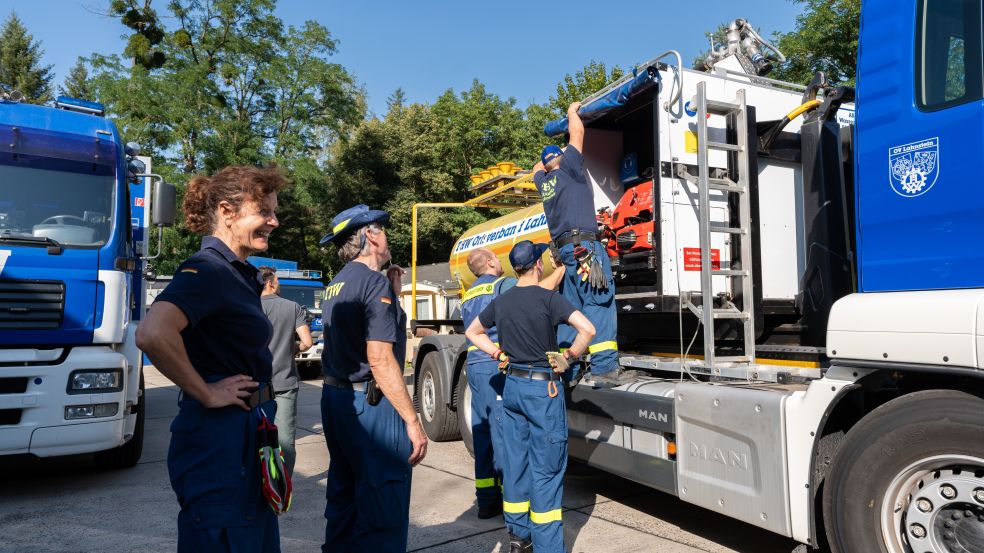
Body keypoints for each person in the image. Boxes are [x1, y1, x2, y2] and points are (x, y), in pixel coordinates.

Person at [136, 165, 286, 553]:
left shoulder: (237, 274)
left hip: (245, 430)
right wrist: (205, 391)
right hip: (221, 438)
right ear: (227, 211)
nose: (274, 220)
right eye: (265, 211)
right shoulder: (208, 270)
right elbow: (153, 333)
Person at [465, 240, 596, 553]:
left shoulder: (503, 300)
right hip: (542, 391)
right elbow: (587, 329)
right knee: (546, 471)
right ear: (538, 264)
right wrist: (571, 355)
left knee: (516, 464)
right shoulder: (549, 299)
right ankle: (548, 548)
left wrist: (497, 351)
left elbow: (472, 332)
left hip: (512, 388)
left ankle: (518, 538)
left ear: (516, 267)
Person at [317, 204, 428, 552]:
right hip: (371, 406)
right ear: (369, 235)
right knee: (383, 510)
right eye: (382, 229)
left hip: (337, 401)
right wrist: (412, 420)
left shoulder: (338, 283)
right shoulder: (372, 282)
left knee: (345, 503)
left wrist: (391, 293)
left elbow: (355, 334)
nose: (387, 236)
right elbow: (379, 359)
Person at [532, 101, 635, 387]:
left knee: (571, 310)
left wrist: (552, 155)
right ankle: (603, 368)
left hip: (566, 253)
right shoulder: (570, 170)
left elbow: (535, 167)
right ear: (563, 159)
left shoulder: (544, 181)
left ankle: (569, 369)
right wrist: (571, 113)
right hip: (585, 249)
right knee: (598, 301)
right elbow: (577, 135)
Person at [461, 247, 565, 520]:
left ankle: (486, 501)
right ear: (492, 261)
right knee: (505, 437)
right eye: (496, 258)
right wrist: (562, 269)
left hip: (473, 366)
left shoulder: (470, 292)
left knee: (481, 433)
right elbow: (536, 293)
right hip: (494, 366)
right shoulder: (502, 284)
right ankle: (514, 503)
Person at [258, 265, 313, 476]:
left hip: (255, 386)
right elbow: (307, 343)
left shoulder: (248, 306)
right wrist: (292, 348)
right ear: (270, 282)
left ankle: (258, 484)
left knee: (255, 437)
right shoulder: (292, 307)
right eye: (278, 281)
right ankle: (282, 486)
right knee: (285, 442)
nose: (279, 284)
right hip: (285, 384)